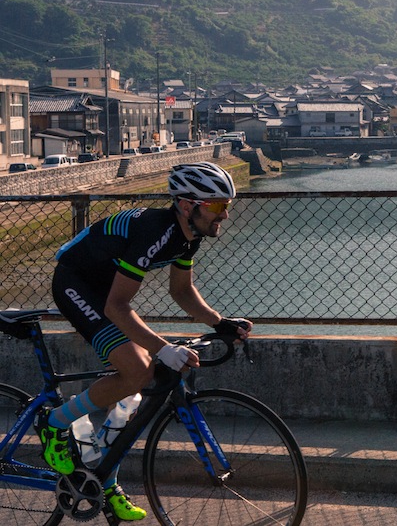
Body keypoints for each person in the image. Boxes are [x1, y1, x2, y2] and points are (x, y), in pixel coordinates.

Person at [40, 161, 252, 521]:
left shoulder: (189, 234)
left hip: (104, 289)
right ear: (187, 205)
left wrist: (221, 323)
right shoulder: (156, 230)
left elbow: (182, 291)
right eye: (217, 206)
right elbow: (116, 306)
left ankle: (102, 477)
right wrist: (165, 349)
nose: (225, 215)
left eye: (226, 205)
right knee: (139, 369)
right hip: (77, 283)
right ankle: (56, 423)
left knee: (138, 383)